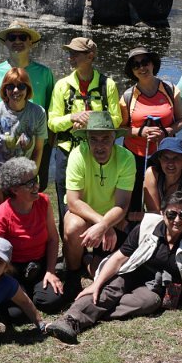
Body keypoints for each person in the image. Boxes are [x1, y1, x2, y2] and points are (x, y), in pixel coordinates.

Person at [44, 192, 182, 344]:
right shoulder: (147, 226)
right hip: (135, 270)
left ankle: (93, 312)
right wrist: (97, 284)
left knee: (148, 302)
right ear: (162, 213)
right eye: (172, 213)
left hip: (158, 287)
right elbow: (120, 257)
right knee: (108, 289)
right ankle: (69, 321)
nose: (177, 219)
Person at [47, 36, 122, 222]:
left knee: (98, 197)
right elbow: (52, 122)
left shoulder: (108, 85)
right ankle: (69, 243)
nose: (70, 57)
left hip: (98, 150)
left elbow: (117, 119)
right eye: (69, 53)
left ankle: (98, 244)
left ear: (90, 56)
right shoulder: (61, 86)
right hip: (66, 151)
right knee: (67, 201)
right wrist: (72, 118)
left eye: (75, 54)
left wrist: (91, 121)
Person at [62, 111, 136, 290]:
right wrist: (102, 224)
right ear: (86, 139)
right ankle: (73, 272)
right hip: (85, 216)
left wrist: (105, 225)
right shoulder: (77, 155)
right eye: (94, 139)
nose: (100, 145)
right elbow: (73, 202)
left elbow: (122, 204)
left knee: (105, 274)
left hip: (113, 218)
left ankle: (89, 261)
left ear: (114, 138)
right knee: (73, 227)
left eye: (105, 139)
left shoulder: (126, 158)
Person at [0, 20, 55, 187]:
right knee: (4, 190)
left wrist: (49, 142)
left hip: (37, 146)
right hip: (4, 147)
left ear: (31, 42)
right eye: (12, 37)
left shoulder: (45, 73)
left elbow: (52, 109)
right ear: (6, 42)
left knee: (35, 189)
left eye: (22, 37)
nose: (17, 41)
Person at [0, 157, 64, 315]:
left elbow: (52, 239)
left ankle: (32, 291)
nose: (36, 186)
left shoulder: (43, 202)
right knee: (13, 314)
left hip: (39, 265)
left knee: (52, 301)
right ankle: (24, 292)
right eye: (29, 183)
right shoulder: (2, 215)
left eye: (35, 179)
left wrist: (50, 271)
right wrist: (11, 282)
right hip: (12, 269)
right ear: (14, 189)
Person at [0, 67, 47, 220]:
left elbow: (38, 151)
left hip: (20, 180)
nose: (16, 91)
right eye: (10, 86)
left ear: (27, 89)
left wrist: (30, 180)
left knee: (19, 221)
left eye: (21, 86)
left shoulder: (38, 112)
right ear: (4, 90)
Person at [119, 46, 182, 193]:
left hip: (165, 155)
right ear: (132, 70)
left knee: (164, 194)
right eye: (135, 65)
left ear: (152, 64)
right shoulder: (127, 96)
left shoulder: (170, 90)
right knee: (135, 199)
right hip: (134, 155)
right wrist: (140, 131)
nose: (141, 67)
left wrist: (167, 131)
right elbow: (120, 130)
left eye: (145, 62)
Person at [142, 137, 182, 215]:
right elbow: (153, 212)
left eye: (176, 158)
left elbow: (172, 216)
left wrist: (135, 216)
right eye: (165, 158)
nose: (170, 163)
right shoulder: (151, 173)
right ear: (159, 160)